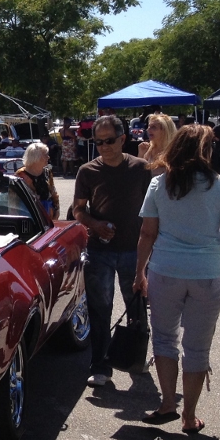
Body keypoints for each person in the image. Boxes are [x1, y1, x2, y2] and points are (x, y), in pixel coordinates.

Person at [134, 125, 220, 434]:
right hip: (209, 273)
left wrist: (140, 271)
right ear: (206, 151)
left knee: (164, 338)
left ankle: (168, 403)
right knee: (197, 347)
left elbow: (146, 233)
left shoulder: (159, 185)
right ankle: (189, 417)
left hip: (166, 270)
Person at [72, 114, 153, 388]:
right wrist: (95, 224)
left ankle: (135, 358)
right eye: (98, 142)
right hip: (100, 251)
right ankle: (100, 365)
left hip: (135, 250)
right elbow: (78, 210)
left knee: (137, 306)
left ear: (123, 139)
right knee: (100, 308)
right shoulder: (87, 172)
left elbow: (153, 212)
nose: (104, 147)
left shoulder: (141, 169)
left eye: (109, 141)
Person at [16, 141, 59, 221]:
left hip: (49, 216)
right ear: (36, 157)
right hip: (29, 217)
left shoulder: (47, 172)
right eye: (45, 155)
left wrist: (57, 209)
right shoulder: (20, 175)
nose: (48, 157)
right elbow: (14, 201)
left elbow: (53, 192)